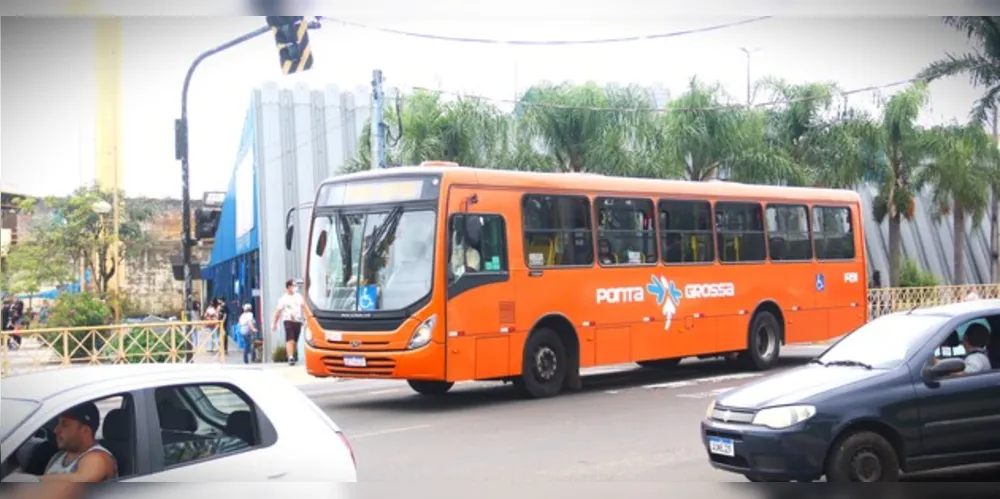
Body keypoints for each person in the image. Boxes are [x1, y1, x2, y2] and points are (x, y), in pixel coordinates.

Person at [41, 402, 117, 482]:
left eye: (65, 424)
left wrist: (34, 479)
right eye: (58, 423)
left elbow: (81, 481)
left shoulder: (98, 458)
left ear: (85, 430)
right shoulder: (58, 457)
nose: (56, 430)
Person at [272, 279, 304, 366]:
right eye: (293, 286)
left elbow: (304, 306)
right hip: (288, 319)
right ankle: (290, 357)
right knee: (290, 338)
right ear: (288, 287)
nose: (295, 288)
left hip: (297, 320)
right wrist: (274, 323)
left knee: (295, 341)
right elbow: (278, 311)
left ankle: (291, 354)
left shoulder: (298, 296)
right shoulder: (283, 299)